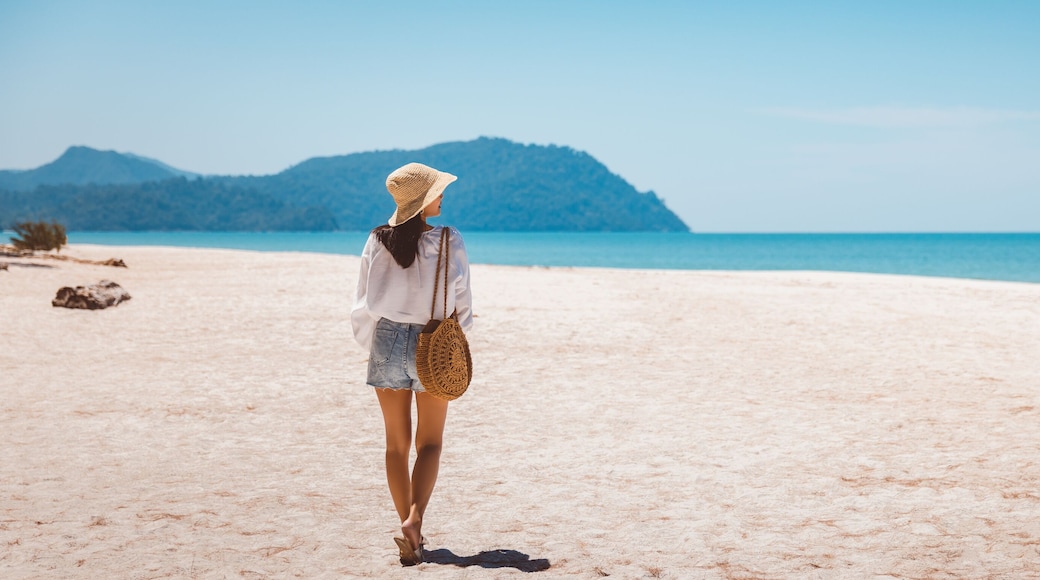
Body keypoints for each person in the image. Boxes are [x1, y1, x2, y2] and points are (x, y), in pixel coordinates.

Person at [351, 162, 474, 566]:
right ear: (423, 202)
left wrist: (374, 346)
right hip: (432, 341)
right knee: (431, 443)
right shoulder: (449, 239)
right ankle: (414, 520)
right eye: (438, 192)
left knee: (395, 446)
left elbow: (363, 304)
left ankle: (411, 533)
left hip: (385, 340)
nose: (443, 196)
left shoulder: (376, 240)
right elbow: (463, 304)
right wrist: (455, 341)